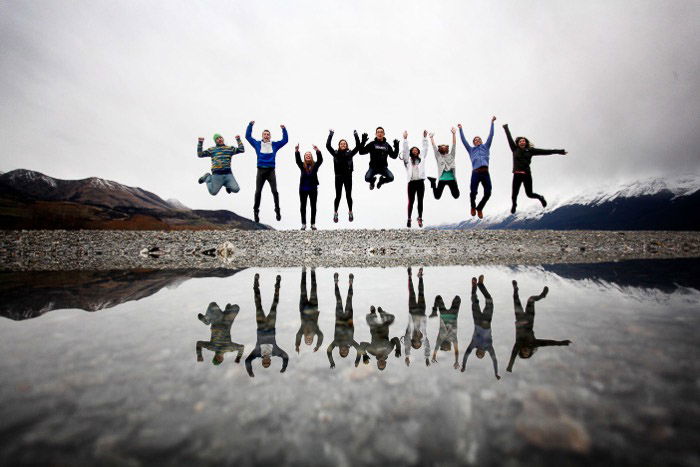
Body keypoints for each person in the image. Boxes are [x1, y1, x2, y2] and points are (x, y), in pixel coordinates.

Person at [506, 280, 571, 373]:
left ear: (520, 351)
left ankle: (515, 289)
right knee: (531, 299)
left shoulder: (518, 345)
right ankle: (542, 296)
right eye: (527, 353)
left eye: (523, 353)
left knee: (516, 299)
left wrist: (510, 366)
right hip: (529, 320)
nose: (525, 351)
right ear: (530, 352)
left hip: (519, 319)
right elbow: (548, 343)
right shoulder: (534, 344)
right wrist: (561, 343)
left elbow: (513, 354)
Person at [502, 123, 567, 214]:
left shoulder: (531, 150)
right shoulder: (514, 149)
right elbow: (509, 138)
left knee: (529, 194)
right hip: (517, 175)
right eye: (520, 141)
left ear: (526, 142)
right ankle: (514, 205)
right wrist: (506, 128)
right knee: (514, 194)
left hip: (526, 175)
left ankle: (540, 197)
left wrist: (559, 151)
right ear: (517, 143)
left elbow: (545, 151)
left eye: (524, 141)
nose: (522, 142)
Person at [245, 274, 288, 377]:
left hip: (260, 326)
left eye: (264, 363)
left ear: (262, 362)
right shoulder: (275, 352)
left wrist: (250, 371)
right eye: (268, 363)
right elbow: (285, 357)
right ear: (270, 361)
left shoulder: (256, 353)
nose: (266, 361)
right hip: (271, 326)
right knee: (274, 305)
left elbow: (247, 361)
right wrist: (284, 367)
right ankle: (277, 284)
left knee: (258, 304)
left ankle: (256, 284)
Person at [245, 121, 289, 222]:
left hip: (271, 171)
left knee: (275, 191)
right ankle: (256, 212)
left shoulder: (274, 145)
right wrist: (250, 126)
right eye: (264, 134)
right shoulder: (257, 144)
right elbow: (248, 136)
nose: (266, 136)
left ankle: (277, 210)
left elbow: (285, 140)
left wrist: (284, 129)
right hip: (260, 170)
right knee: (258, 192)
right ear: (262, 136)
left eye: (268, 134)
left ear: (270, 136)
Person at [461, 276, 500, 379]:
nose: (480, 352)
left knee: (475, 302)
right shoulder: (489, 348)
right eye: (481, 354)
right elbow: (494, 360)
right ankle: (481, 285)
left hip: (478, 321)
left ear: (477, 351)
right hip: (487, 321)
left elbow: (466, 354)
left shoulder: (473, 345)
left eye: (478, 353)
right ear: (484, 353)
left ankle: (474, 286)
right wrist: (496, 373)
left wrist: (464, 365)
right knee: (489, 301)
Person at [459, 117, 496, 218]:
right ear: (473, 143)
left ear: (481, 141)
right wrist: (460, 129)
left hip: (485, 172)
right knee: (473, 192)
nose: (477, 140)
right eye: (475, 140)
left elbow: (491, 135)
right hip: (475, 173)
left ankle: (479, 208)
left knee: (488, 192)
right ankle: (472, 206)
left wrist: (492, 123)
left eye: (479, 139)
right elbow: (463, 140)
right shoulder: (471, 150)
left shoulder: (486, 146)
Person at [327, 129, 362, 223]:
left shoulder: (350, 153)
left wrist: (356, 135)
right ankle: (335, 213)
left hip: (348, 177)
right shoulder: (335, 153)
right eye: (341, 143)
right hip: (338, 177)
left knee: (348, 195)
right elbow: (328, 146)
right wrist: (331, 134)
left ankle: (350, 212)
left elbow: (358, 146)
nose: (343, 144)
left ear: (346, 145)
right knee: (338, 196)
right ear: (339, 145)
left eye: (344, 143)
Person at [327, 272, 360, 368]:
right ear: (349, 351)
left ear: (339, 350)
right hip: (349, 317)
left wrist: (332, 362)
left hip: (339, 316)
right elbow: (359, 350)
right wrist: (357, 361)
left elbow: (328, 351)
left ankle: (336, 282)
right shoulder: (351, 342)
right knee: (349, 299)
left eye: (342, 352)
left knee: (338, 299)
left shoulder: (336, 342)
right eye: (346, 352)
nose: (344, 351)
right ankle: (350, 283)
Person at [196, 302, 244, 366]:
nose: (219, 358)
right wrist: (238, 357)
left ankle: (207, 320)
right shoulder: (229, 348)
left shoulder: (212, 347)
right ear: (222, 359)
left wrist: (199, 355)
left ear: (215, 357)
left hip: (217, 321)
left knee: (212, 305)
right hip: (227, 321)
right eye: (220, 360)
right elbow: (241, 347)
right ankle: (226, 311)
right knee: (236, 307)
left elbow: (199, 343)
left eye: (216, 359)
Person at [356, 306, 401, 371]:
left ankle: (373, 312)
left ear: (377, 363)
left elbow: (362, 344)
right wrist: (398, 349)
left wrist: (364, 355)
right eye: (383, 364)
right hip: (384, 328)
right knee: (391, 318)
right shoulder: (389, 350)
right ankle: (382, 312)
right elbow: (395, 339)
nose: (381, 363)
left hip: (374, 329)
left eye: (380, 364)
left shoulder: (373, 352)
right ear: (385, 362)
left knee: (369, 320)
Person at [403, 267, 430, 367]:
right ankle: (420, 277)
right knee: (421, 293)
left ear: (412, 341)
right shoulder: (424, 335)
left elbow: (406, 344)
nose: (418, 340)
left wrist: (407, 356)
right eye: (419, 342)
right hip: (422, 311)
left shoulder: (409, 333)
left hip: (413, 311)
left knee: (412, 293)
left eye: (415, 342)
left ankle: (409, 276)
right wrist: (427, 357)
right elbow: (427, 346)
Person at [401, 131, 429, 228]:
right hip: (411, 183)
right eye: (413, 150)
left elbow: (425, 148)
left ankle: (420, 218)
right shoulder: (407, 160)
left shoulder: (422, 158)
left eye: (416, 150)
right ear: (411, 152)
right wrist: (405, 139)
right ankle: (409, 218)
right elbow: (405, 150)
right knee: (411, 201)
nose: (415, 151)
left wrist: (425, 138)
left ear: (418, 152)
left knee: (420, 201)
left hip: (420, 182)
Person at [294, 144, 323, 230]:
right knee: (303, 206)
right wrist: (296, 151)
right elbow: (297, 160)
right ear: (304, 157)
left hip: (313, 188)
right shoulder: (302, 165)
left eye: (309, 155)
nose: (308, 156)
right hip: (303, 189)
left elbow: (320, 160)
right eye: (306, 155)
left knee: (313, 206)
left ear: (311, 157)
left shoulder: (315, 165)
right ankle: (303, 224)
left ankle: (313, 224)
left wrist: (317, 151)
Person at [295, 267, 323, 352]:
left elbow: (298, 336)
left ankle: (303, 272)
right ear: (312, 339)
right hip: (313, 307)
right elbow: (321, 336)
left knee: (303, 288)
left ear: (305, 339)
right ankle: (312, 271)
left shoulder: (302, 331)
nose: (308, 339)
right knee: (314, 287)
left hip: (303, 308)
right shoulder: (316, 331)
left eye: (307, 341)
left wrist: (297, 345)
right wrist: (318, 346)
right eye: (310, 341)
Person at [427, 128, 459, 199]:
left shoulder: (451, 155)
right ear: (440, 149)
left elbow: (454, 145)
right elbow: (434, 147)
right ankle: (433, 182)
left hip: (452, 179)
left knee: (456, 195)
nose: (443, 147)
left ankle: (434, 182)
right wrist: (431, 138)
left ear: (447, 149)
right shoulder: (438, 156)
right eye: (442, 147)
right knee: (437, 196)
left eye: (445, 146)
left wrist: (454, 134)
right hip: (442, 179)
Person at [431, 294, 461, 369]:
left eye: (445, 348)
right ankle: (434, 311)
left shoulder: (440, 339)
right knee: (457, 298)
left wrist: (434, 356)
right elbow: (456, 351)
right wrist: (456, 361)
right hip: (452, 315)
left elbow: (436, 348)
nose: (447, 347)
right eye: (448, 348)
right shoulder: (453, 339)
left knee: (438, 297)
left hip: (445, 314)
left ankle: (434, 311)